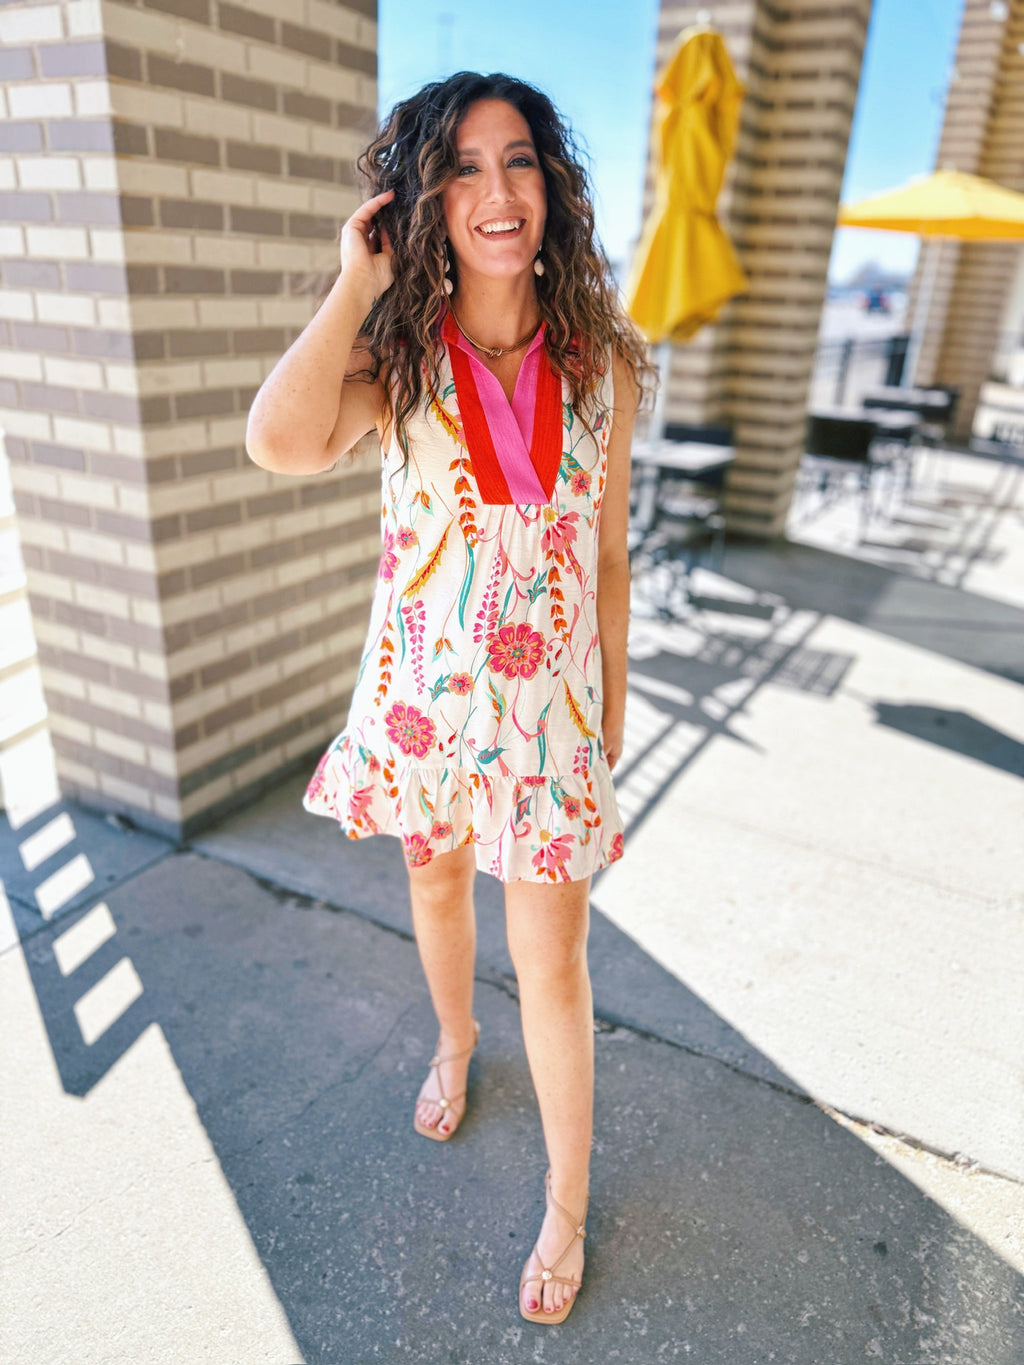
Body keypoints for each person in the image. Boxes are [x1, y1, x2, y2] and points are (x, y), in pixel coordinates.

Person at [246, 71, 651, 1325]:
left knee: (556, 963)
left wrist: (608, 729)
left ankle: (568, 1198)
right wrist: (355, 284)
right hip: (425, 706)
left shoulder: (606, 371)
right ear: (423, 198)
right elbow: (279, 440)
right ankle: (453, 1042)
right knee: (431, 885)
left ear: (552, 191)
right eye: (464, 167)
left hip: (547, 731)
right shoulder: (401, 364)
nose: (496, 190)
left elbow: (609, 564)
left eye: (519, 161)